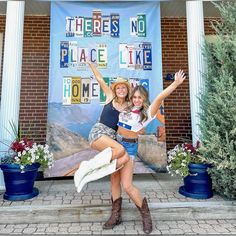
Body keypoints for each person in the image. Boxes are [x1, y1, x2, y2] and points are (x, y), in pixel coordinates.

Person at [103, 70, 186, 234]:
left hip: (129, 147)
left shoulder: (148, 113)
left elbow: (160, 98)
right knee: (113, 179)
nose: (136, 100)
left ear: (144, 99)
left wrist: (175, 84)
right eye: (134, 97)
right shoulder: (126, 109)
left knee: (127, 185)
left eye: (140, 97)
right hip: (116, 144)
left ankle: (146, 216)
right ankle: (115, 216)